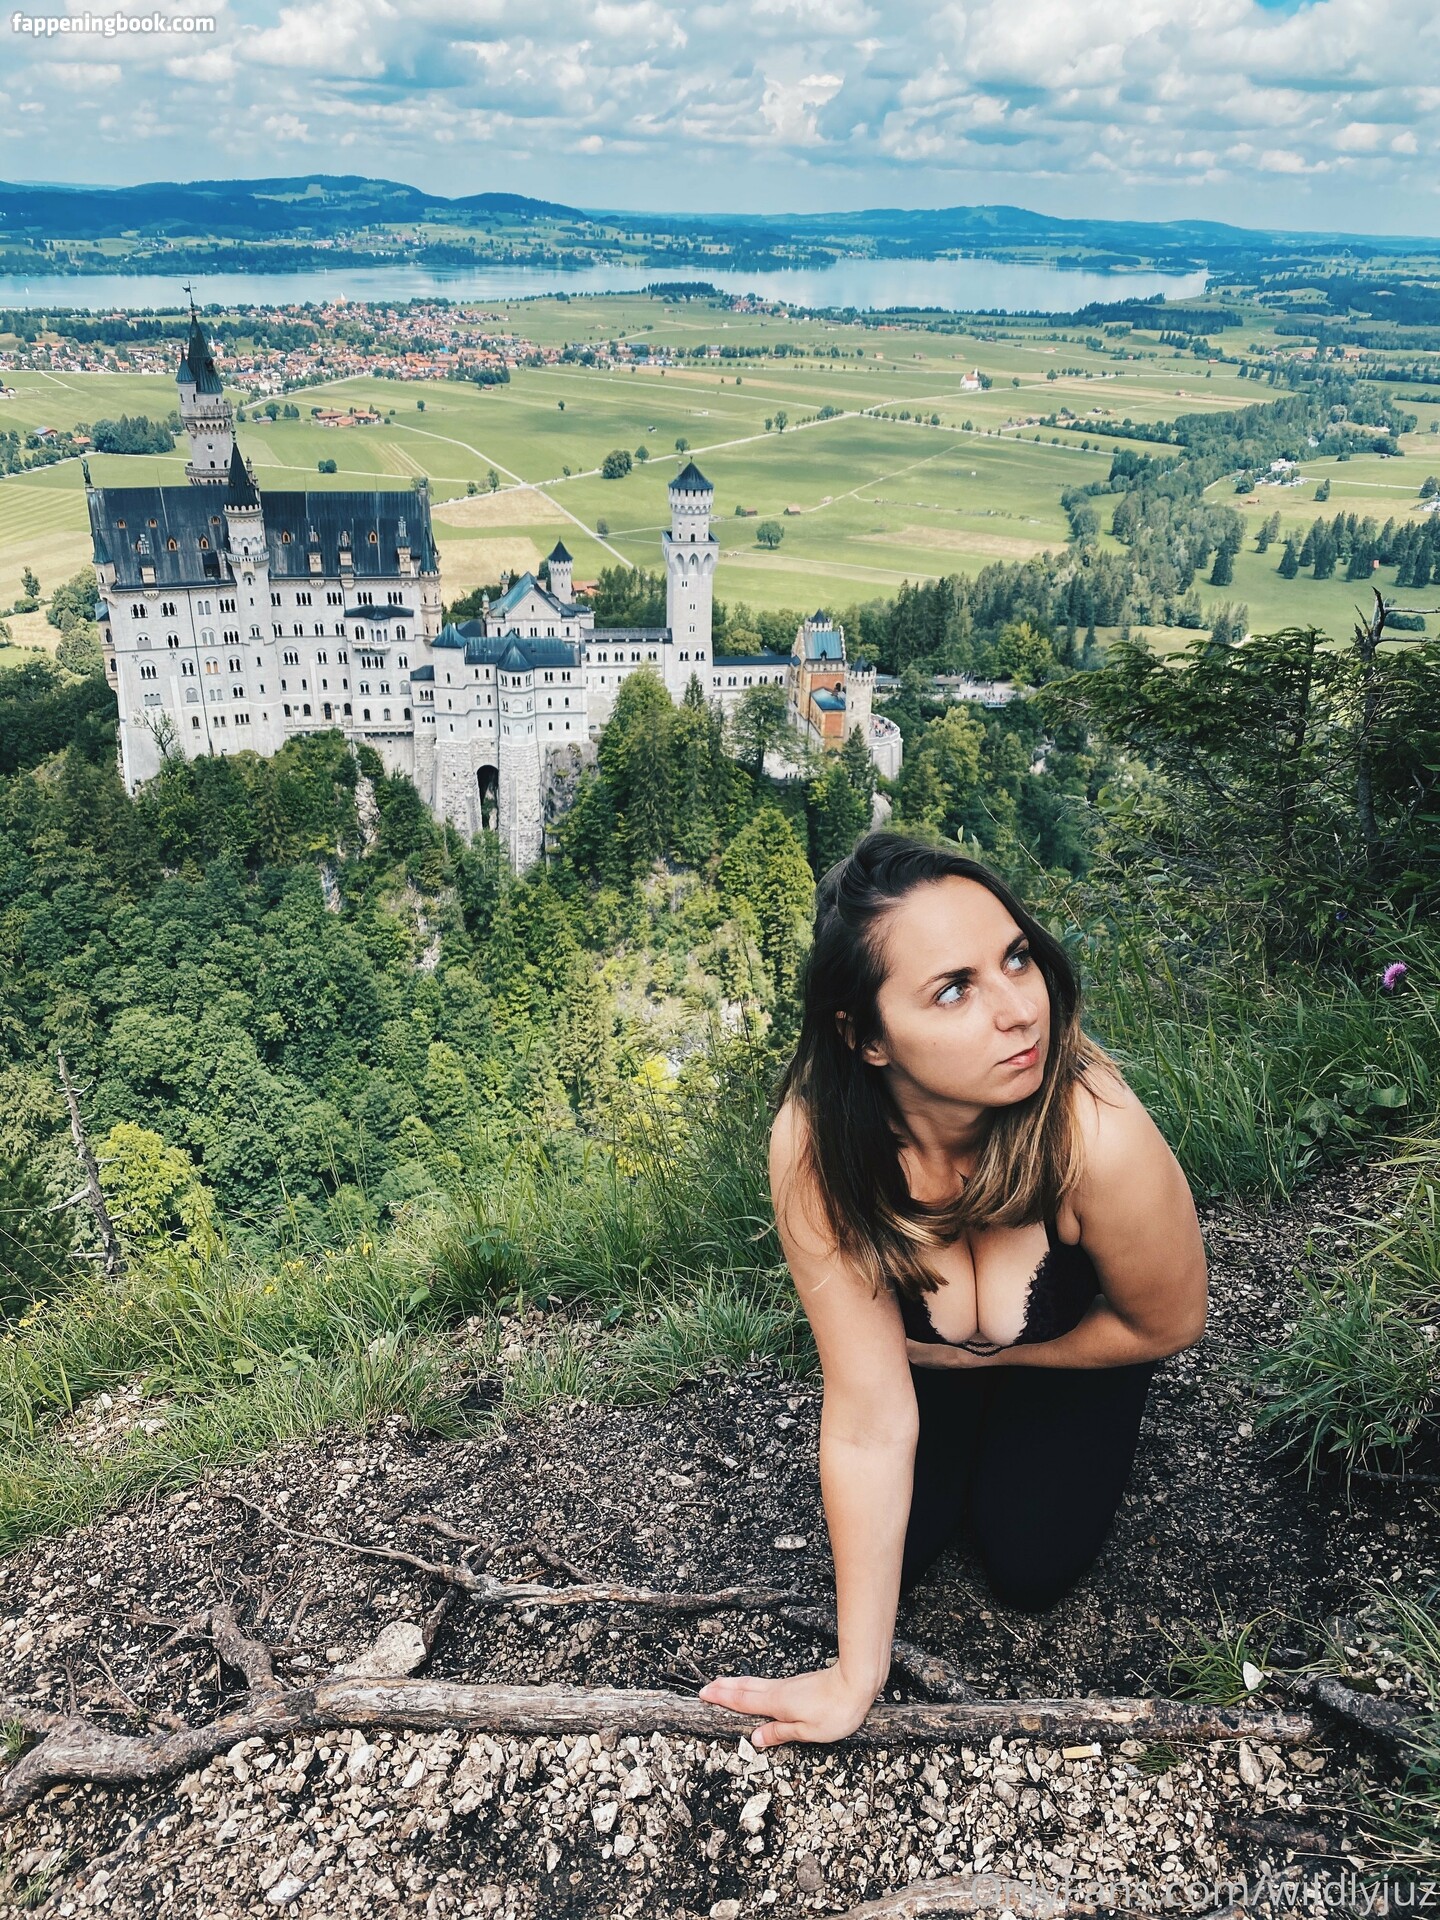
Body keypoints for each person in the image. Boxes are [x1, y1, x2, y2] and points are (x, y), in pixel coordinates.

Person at [698, 830, 1208, 1751]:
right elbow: (866, 1419)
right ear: (866, 1037)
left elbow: (1169, 1322)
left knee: (1031, 1566)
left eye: (1016, 958)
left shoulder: (1096, 1132)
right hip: (917, 1375)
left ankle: (1002, 1427)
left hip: (1078, 1356)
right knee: (902, 1553)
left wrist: (993, 1357)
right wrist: (855, 1677)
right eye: (953, 989)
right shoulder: (820, 1148)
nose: (1019, 1011)